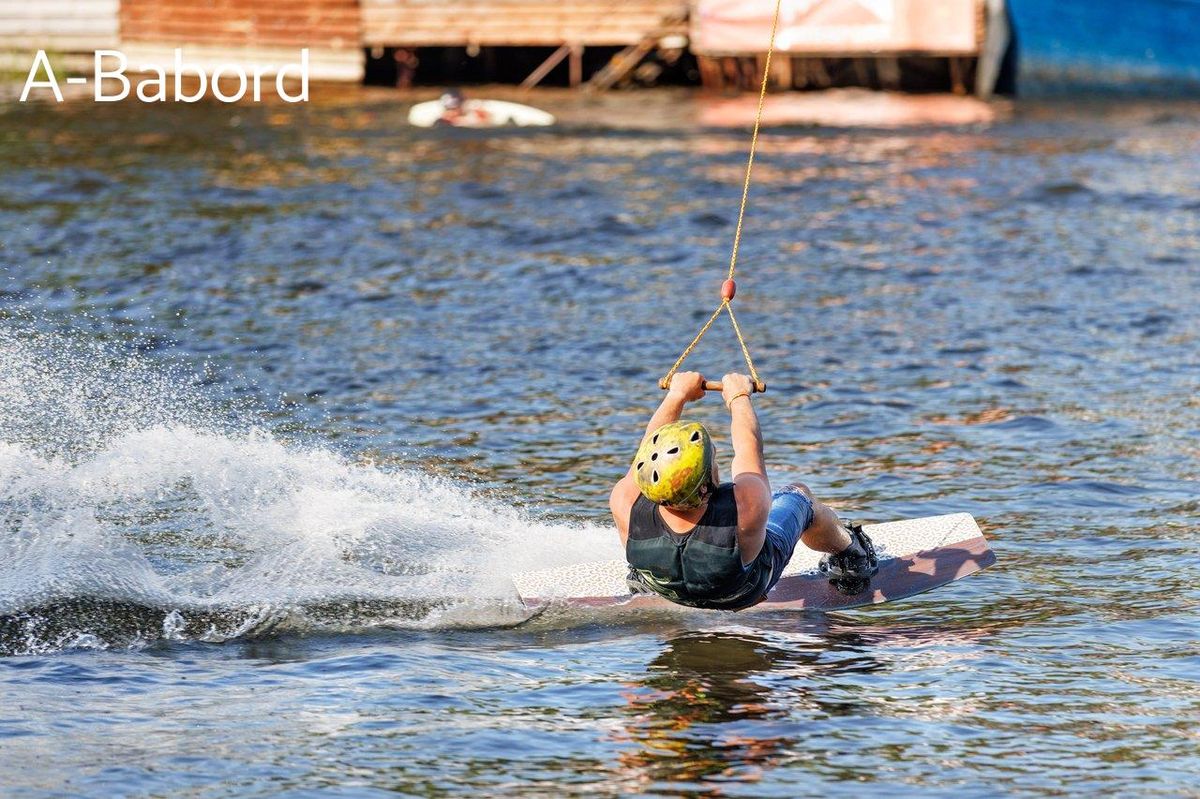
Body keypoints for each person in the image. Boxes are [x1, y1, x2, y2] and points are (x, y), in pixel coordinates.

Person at [609, 371, 878, 610]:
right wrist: (738, 396)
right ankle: (851, 556)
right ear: (704, 485)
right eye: (713, 460)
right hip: (742, 592)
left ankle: (647, 581)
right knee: (799, 495)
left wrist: (677, 395)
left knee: (643, 544)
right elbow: (748, 445)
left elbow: (649, 448)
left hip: (665, 588)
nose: (716, 462)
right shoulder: (747, 505)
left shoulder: (624, 501)